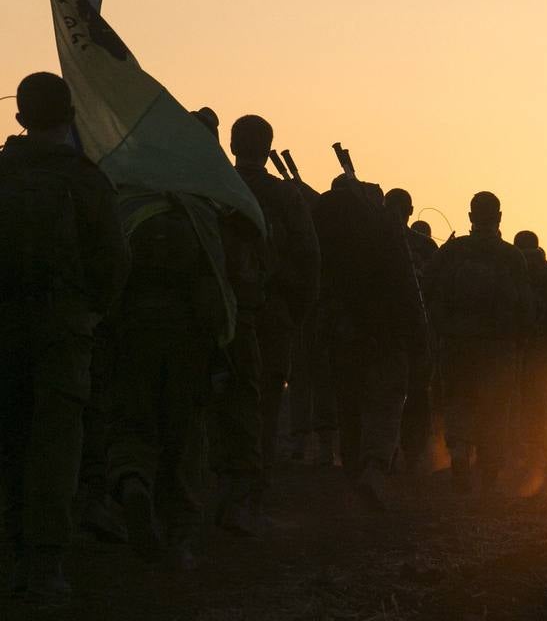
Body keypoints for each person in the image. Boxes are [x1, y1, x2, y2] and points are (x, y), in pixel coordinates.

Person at [0, 72, 129, 597]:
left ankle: (13, 550)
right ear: (71, 117)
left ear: (20, 118)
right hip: (64, 329)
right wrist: (91, 313)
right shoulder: (86, 179)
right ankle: (46, 563)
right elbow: (114, 262)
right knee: (56, 444)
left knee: (11, 439)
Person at [106, 193, 228, 568]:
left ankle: (133, 482)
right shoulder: (201, 217)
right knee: (185, 437)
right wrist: (220, 350)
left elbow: (109, 279)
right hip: (186, 342)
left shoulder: (127, 211)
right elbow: (211, 294)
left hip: (132, 336)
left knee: (133, 425)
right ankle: (180, 537)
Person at [215, 115, 319, 532]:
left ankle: (219, 492)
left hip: (219, 311)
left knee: (219, 401)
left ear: (233, 143)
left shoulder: (215, 187)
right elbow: (309, 258)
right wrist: (297, 313)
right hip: (270, 314)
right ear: (268, 145)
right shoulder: (284, 196)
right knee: (264, 406)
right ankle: (248, 500)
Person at [313, 176, 426, 509]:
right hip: (385, 335)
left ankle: (352, 470)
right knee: (386, 404)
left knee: (350, 404)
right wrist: (418, 337)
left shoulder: (327, 236)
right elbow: (408, 289)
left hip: (342, 334)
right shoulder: (387, 236)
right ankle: (375, 469)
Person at [424, 193, 531, 492]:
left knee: (458, 398)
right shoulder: (512, 256)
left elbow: (428, 288)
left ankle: (459, 453)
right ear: (499, 217)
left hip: (456, 341)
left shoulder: (453, 251)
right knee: (495, 406)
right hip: (499, 346)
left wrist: (441, 328)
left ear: (471, 217)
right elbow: (524, 305)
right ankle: (489, 468)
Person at [384, 188, 437, 474]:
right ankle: (412, 453)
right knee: (417, 394)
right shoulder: (426, 247)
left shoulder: (373, 242)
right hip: (418, 328)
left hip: (381, 330)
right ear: (410, 210)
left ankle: (384, 453)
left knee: (382, 393)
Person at [512, 230, 547, 471]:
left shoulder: (512, 268)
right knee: (539, 401)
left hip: (514, 347)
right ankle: (536, 456)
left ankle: (515, 454)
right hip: (543, 350)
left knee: (512, 399)